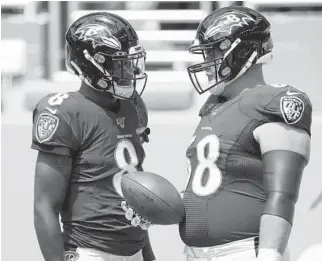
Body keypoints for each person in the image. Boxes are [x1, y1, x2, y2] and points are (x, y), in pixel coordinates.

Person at [178, 6, 312, 261]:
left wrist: (269, 254)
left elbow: (282, 194)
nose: (205, 63)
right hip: (196, 255)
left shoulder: (273, 101)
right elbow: (208, 188)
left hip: (244, 252)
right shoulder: (213, 106)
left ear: (241, 51)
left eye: (211, 52)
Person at [32, 12, 155, 261]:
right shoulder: (65, 110)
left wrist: (147, 253)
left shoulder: (134, 105)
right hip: (89, 251)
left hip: (133, 248)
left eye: (131, 62)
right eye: (121, 62)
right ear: (92, 64)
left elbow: (134, 191)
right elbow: (45, 206)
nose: (130, 70)